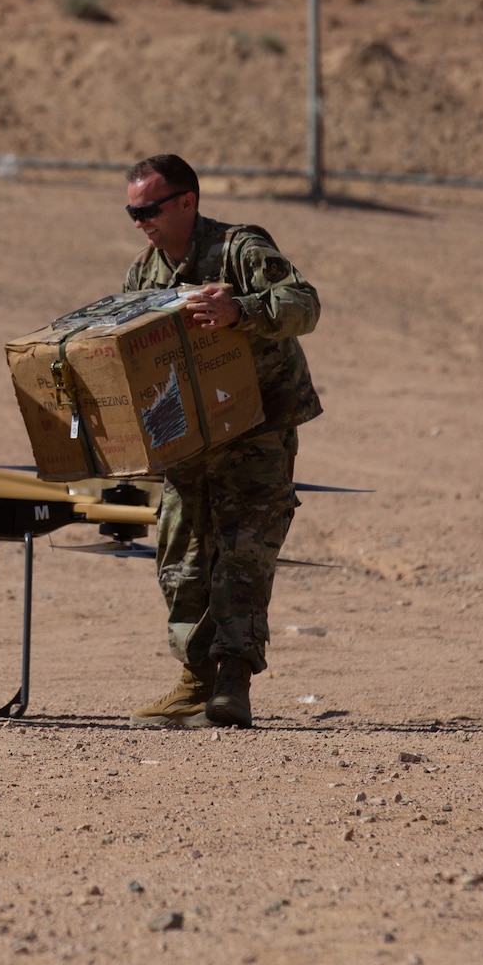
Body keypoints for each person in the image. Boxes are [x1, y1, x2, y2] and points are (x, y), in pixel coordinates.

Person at [120, 153, 322, 729]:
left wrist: (243, 309)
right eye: (131, 212)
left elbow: (304, 305)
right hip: (187, 438)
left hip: (256, 429)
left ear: (187, 202)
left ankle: (232, 683)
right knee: (180, 556)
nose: (139, 222)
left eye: (148, 210)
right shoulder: (144, 274)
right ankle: (193, 681)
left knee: (243, 556)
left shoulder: (241, 249)